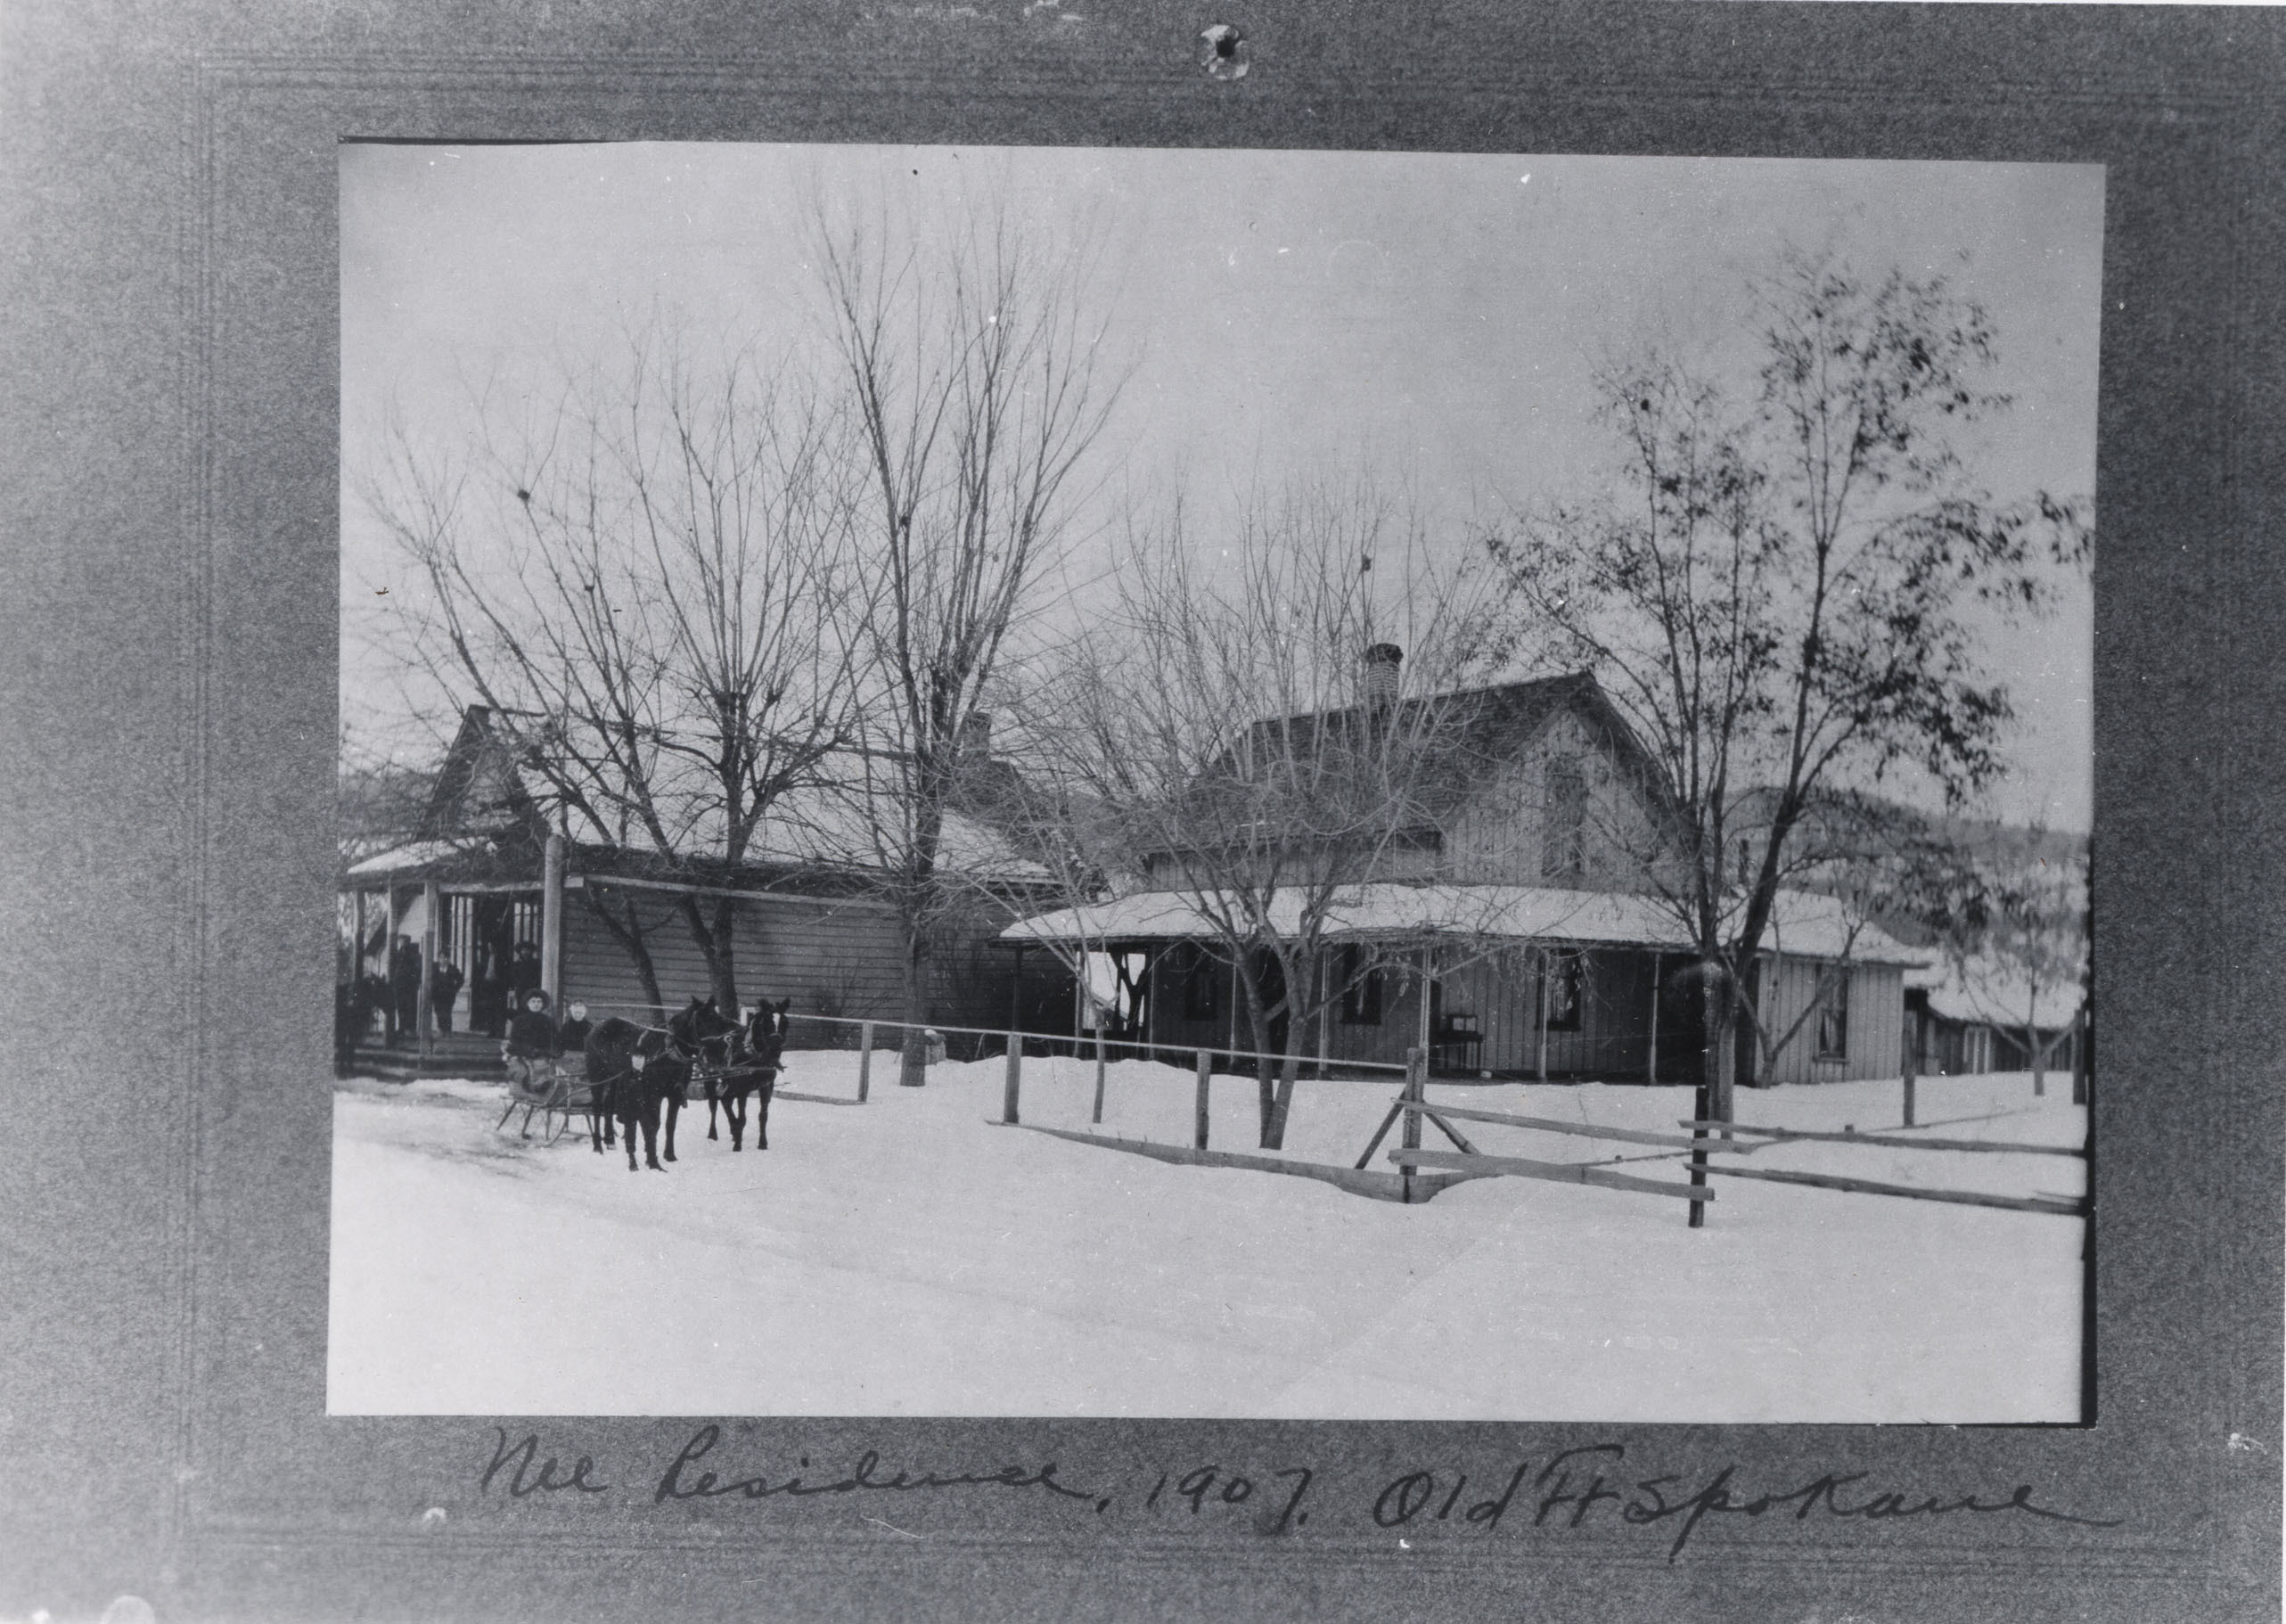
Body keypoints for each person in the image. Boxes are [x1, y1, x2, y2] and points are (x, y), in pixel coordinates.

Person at [503, 988, 560, 1096]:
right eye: (533, 1001)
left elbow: (555, 1041)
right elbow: (514, 1041)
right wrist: (528, 1051)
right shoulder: (519, 1020)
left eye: (539, 1002)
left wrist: (549, 1052)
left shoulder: (549, 1021)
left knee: (549, 1072)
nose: (536, 1004)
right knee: (525, 1072)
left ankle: (545, 1092)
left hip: (544, 1056)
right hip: (524, 1055)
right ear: (527, 1004)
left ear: (543, 1004)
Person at [388, 935, 422, 1044]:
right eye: (401, 941)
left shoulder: (413, 954)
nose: (402, 943)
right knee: (400, 1006)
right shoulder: (397, 954)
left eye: (404, 941)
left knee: (410, 1006)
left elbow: (418, 968)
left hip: (409, 985)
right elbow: (393, 967)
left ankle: (410, 1028)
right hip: (399, 985)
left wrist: (416, 982)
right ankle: (402, 1028)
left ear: (408, 942)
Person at [428, 958, 465, 1036]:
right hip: (437, 994)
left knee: (447, 1011)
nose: (442, 960)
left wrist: (455, 989)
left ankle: (447, 1030)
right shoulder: (435, 968)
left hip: (448, 994)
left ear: (448, 959)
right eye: (440, 958)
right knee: (438, 1011)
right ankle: (441, 1028)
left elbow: (461, 980)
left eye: (445, 958)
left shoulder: (452, 969)